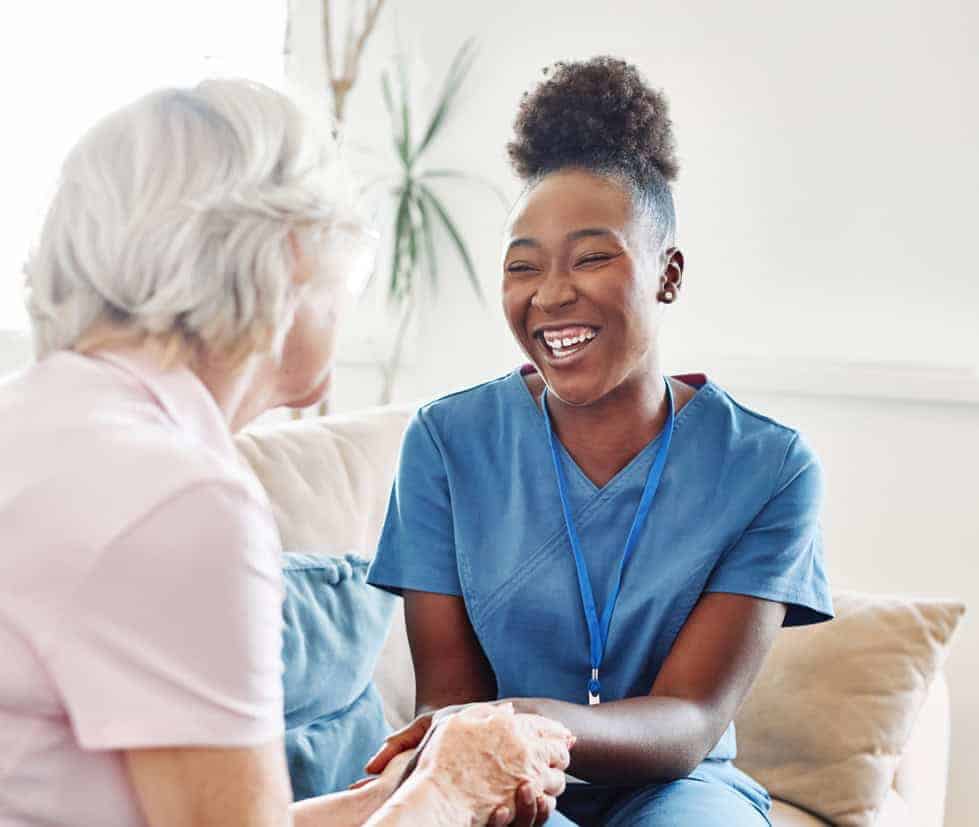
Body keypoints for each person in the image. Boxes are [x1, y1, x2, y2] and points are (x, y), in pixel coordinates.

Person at [0, 79, 573, 827]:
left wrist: (384, 799)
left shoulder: (41, 420)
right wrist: (452, 788)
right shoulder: (178, 501)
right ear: (294, 252)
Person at [365, 57, 834, 826]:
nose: (551, 293)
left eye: (591, 256)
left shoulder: (770, 467)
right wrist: (488, 743)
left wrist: (508, 715)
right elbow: (447, 700)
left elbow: (688, 719)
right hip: (498, 774)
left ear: (668, 273)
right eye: (523, 266)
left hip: (680, 791)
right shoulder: (446, 442)